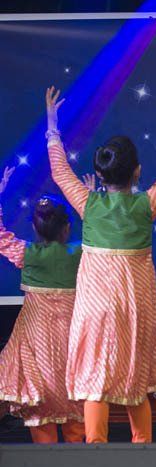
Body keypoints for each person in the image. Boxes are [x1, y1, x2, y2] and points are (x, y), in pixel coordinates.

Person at [45, 85, 156, 443]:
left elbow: (61, 171)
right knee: (134, 378)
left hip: (96, 309)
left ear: (102, 173)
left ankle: (97, 456)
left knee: (97, 378)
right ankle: (142, 456)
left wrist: (52, 126)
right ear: (137, 172)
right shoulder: (145, 205)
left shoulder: (88, 204)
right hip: (133, 306)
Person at [0, 167, 84, 443]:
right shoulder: (81, 254)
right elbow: (103, 233)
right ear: (67, 227)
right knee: (75, 409)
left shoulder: (27, 253)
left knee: (40, 409)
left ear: (35, 227)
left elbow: (1, 237)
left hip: (37, 345)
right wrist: (92, 197)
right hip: (72, 340)